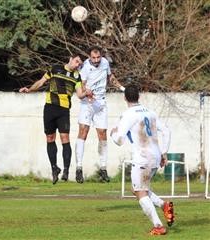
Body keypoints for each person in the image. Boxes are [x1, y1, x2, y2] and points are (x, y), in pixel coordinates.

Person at [110, 83, 174, 235]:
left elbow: (119, 140)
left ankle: (158, 226)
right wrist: (164, 153)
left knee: (140, 192)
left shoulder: (128, 114)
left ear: (125, 98)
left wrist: (113, 133)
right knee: (138, 189)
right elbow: (166, 130)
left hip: (142, 158)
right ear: (139, 96)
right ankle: (164, 205)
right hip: (156, 155)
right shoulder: (150, 112)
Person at [19, 53, 90, 184]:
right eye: (76, 61)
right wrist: (30, 90)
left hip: (63, 110)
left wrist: (87, 93)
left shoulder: (77, 76)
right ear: (70, 59)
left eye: (80, 64)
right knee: (50, 138)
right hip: (50, 108)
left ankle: (66, 171)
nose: (78, 64)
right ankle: (54, 168)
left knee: (65, 138)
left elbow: (80, 94)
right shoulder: (55, 68)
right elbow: (41, 82)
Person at [75, 46, 123, 183]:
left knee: (102, 133)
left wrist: (122, 88)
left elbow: (110, 77)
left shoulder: (105, 63)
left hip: (101, 102)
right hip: (87, 103)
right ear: (90, 57)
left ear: (101, 56)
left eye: (98, 57)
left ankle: (103, 168)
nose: (96, 60)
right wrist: (87, 93)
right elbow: (82, 84)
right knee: (83, 131)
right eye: (93, 58)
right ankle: (78, 168)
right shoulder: (84, 66)